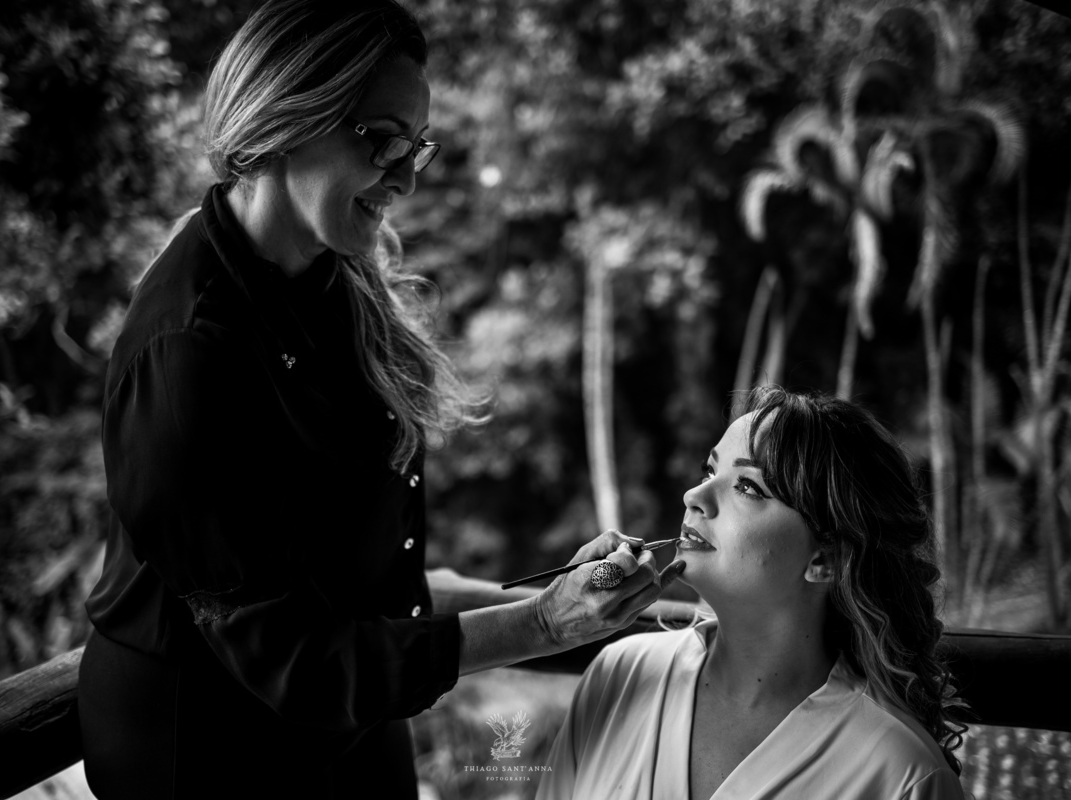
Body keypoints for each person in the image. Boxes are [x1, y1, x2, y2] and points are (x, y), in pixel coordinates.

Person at [76, 2, 684, 797]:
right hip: (210, 748)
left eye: (417, 145)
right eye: (383, 139)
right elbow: (292, 656)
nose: (406, 177)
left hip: (350, 711)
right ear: (286, 118)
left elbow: (352, 570)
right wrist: (542, 622)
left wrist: (581, 601)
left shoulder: (326, 272)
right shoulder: (186, 352)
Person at [537, 387, 967, 800]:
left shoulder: (904, 776)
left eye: (747, 487)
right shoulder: (619, 674)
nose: (693, 496)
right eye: (710, 471)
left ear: (826, 559)